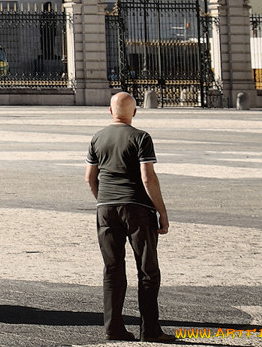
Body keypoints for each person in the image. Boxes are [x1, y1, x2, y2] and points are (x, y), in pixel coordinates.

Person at [86, 91, 174, 343]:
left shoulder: (97, 138)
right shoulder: (141, 138)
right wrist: (162, 212)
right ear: (134, 112)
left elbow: (89, 178)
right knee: (147, 271)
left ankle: (113, 328)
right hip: (137, 209)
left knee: (112, 269)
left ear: (110, 111)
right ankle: (150, 329)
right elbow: (148, 178)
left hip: (106, 208)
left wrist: (103, 201)